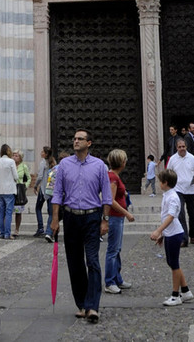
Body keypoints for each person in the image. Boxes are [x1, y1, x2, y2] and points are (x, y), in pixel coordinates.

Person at [50, 129, 112, 323]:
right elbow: (58, 192)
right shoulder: (64, 165)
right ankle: (82, 304)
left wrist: (105, 219)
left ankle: (93, 306)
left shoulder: (99, 166)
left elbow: (107, 196)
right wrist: (54, 218)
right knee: (74, 262)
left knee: (92, 261)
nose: (75, 141)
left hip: (92, 217)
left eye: (80, 139)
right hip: (70, 217)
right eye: (74, 138)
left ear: (89, 143)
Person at [150, 169, 194, 307]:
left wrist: (159, 231)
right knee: (172, 262)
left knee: (174, 264)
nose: (159, 184)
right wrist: (163, 234)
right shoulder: (167, 195)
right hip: (170, 233)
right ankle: (185, 291)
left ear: (165, 183)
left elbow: (171, 216)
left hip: (175, 234)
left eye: (160, 181)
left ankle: (175, 295)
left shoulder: (173, 197)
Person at [104, 149, 135, 294]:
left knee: (117, 249)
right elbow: (110, 200)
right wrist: (127, 213)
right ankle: (109, 281)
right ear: (121, 162)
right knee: (113, 250)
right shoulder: (113, 178)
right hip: (115, 217)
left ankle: (117, 278)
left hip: (118, 217)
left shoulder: (114, 176)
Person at [167, 137, 194, 246]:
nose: (182, 148)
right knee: (181, 214)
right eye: (180, 147)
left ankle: (192, 234)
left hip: (191, 190)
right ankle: (184, 238)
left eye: (183, 146)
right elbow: (169, 173)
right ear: (176, 148)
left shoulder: (192, 158)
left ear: (186, 147)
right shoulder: (172, 159)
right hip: (178, 190)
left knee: (193, 215)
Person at [0, 144, 19, 239]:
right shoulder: (11, 161)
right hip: (9, 190)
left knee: (1, 212)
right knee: (8, 212)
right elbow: (16, 176)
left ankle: (2, 232)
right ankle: (7, 234)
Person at [33, 147, 53, 237]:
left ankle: (40, 228)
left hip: (43, 189)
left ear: (45, 154)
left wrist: (36, 185)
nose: (41, 153)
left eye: (42, 152)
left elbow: (40, 176)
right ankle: (49, 230)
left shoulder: (43, 163)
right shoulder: (52, 162)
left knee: (38, 208)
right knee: (50, 211)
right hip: (51, 189)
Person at [12, 151, 31, 237]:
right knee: (8, 211)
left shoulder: (24, 166)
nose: (14, 157)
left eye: (16, 156)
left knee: (18, 211)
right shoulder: (11, 164)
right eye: (13, 155)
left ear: (20, 158)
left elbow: (29, 178)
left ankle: (17, 229)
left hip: (19, 190)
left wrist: (24, 186)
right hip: (11, 188)